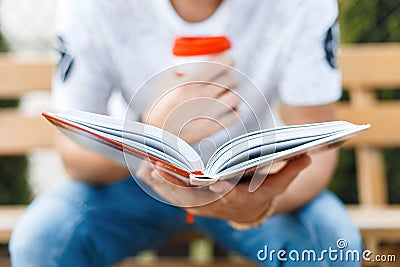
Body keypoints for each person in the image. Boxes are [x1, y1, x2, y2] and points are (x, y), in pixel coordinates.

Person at [10, 0, 362, 266]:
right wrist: (155, 135)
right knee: (41, 238)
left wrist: (258, 204)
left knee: (333, 242)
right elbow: (74, 156)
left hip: (249, 180)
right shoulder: (94, 6)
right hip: (134, 180)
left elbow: (319, 150)